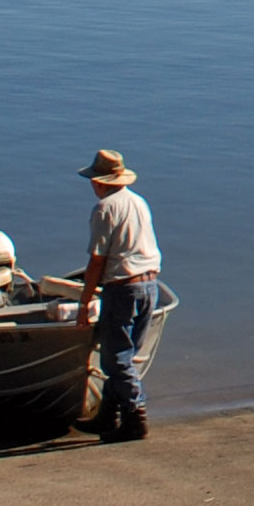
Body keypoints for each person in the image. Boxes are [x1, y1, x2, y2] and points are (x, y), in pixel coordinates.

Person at [76, 148, 162, 442]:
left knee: (116, 359)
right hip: (149, 284)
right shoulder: (138, 202)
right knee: (126, 354)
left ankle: (136, 417)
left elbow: (97, 260)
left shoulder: (104, 209)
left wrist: (84, 301)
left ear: (99, 182)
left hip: (122, 287)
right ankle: (108, 416)